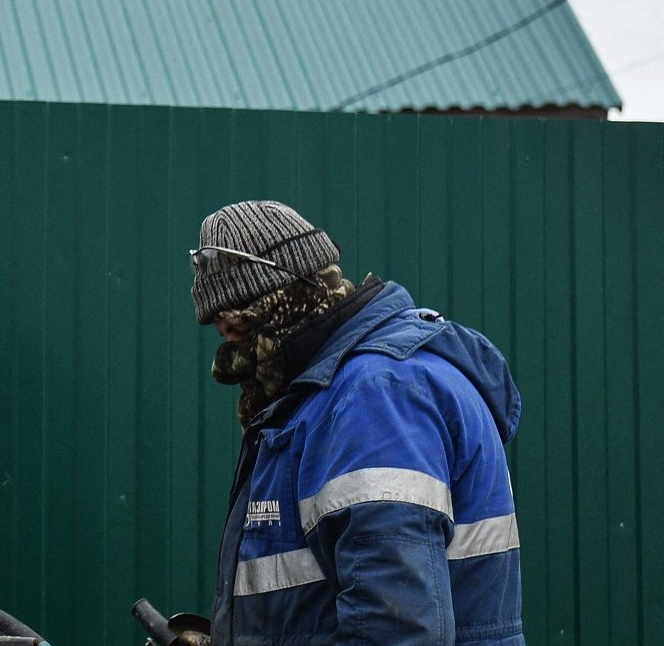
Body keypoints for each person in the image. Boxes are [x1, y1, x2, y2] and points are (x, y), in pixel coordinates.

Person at [189, 201, 525, 646]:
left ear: (292, 297)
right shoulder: (324, 396)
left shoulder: (374, 396)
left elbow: (396, 629)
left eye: (238, 327)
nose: (231, 352)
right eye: (221, 330)